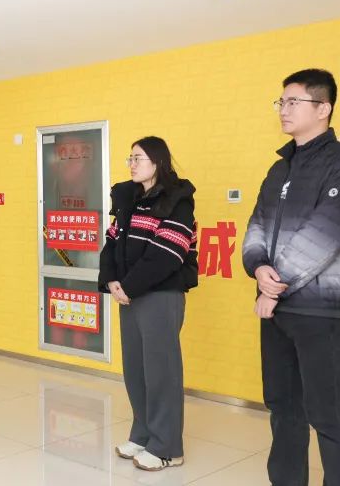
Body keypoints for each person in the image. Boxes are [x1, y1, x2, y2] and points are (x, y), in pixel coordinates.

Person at [242, 69, 340, 486]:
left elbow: (323, 237)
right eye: (281, 102)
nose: (284, 109)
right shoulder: (279, 169)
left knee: (330, 415)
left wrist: (272, 288)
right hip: (276, 310)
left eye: (293, 101)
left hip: (321, 312)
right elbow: (256, 226)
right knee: (283, 408)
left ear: (323, 108)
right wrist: (257, 267)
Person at [99, 136, 198, 471]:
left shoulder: (177, 200)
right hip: (128, 294)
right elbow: (112, 242)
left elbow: (167, 254)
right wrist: (112, 280)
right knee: (136, 370)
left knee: (161, 372)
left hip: (160, 295)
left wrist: (127, 286)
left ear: (158, 162)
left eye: (138, 158)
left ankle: (168, 446)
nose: (131, 164)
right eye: (130, 158)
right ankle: (143, 434)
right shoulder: (129, 198)